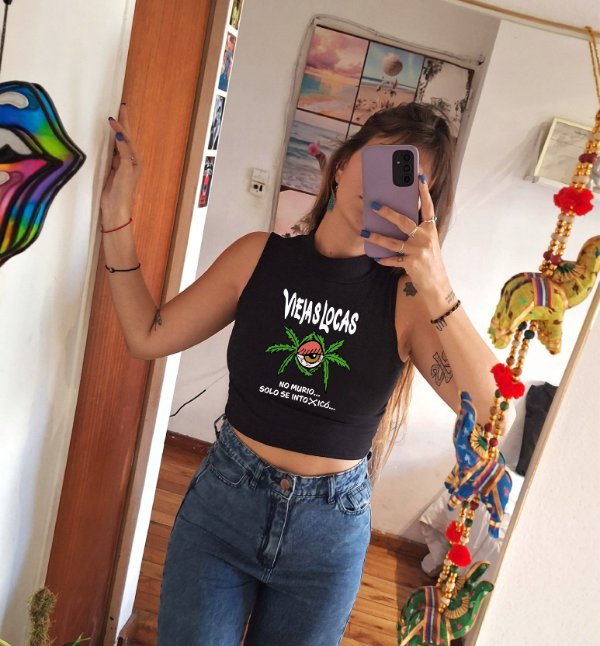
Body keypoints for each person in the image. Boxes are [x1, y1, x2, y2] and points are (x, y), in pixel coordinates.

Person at [102, 101, 512, 646]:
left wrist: (439, 288)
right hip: (225, 507)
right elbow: (147, 335)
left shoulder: (409, 300)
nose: (387, 185)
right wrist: (116, 213)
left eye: (410, 180)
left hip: (328, 537)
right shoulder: (257, 257)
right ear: (340, 165)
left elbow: (494, 415)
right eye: (382, 160)